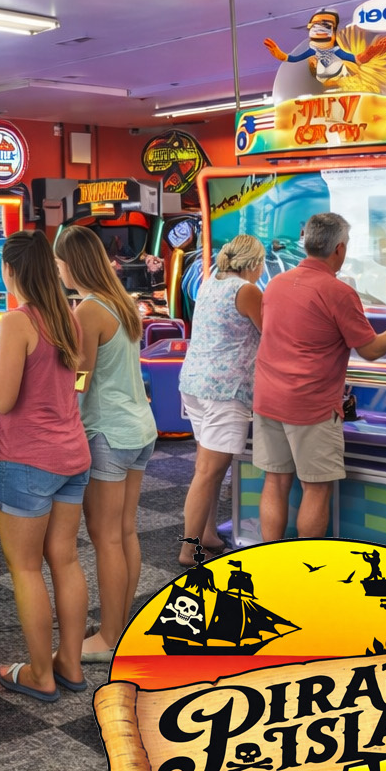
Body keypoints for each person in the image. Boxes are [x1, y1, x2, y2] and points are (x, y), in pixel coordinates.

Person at [0, 230, 90, 701]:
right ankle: (70, 664)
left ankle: (40, 674)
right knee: (66, 559)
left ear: (10, 269)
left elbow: (3, 398)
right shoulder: (68, 317)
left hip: (29, 461)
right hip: (71, 454)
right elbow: (65, 381)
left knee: (25, 569)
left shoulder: (17, 321)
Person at [253, 213, 386, 541]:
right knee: (316, 488)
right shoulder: (338, 292)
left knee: (275, 480)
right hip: (311, 405)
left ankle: (269, 560)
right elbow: (370, 349)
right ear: (339, 248)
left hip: (268, 398)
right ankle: (308, 567)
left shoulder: (276, 284)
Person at [54, 226, 157, 664]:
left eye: (59, 263)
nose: (58, 271)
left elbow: (81, 378)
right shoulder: (121, 301)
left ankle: (110, 636)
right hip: (138, 428)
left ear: (71, 264)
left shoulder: (89, 310)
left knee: (106, 537)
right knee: (125, 531)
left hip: (108, 434)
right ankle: (118, 625)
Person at [176, 234, 265, 566]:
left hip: (195, 383)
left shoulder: (211, 283)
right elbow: (271, 333)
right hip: (225, 391)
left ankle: (208, 534)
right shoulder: (247, 291)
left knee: (209, 469)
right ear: (255, 263)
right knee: (208, 472)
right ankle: (188, 549)